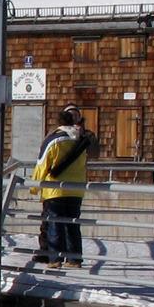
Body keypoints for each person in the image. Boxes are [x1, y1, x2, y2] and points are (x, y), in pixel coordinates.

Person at [32, 106, 94, 269]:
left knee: (55, 223)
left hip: (55, 189)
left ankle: (55, 259)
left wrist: (34, 187)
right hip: (76, 189)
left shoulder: (53, 139)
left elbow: (42, 164)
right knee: (73, 224)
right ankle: (74, 259)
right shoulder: (80, 140)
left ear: (59, 123)